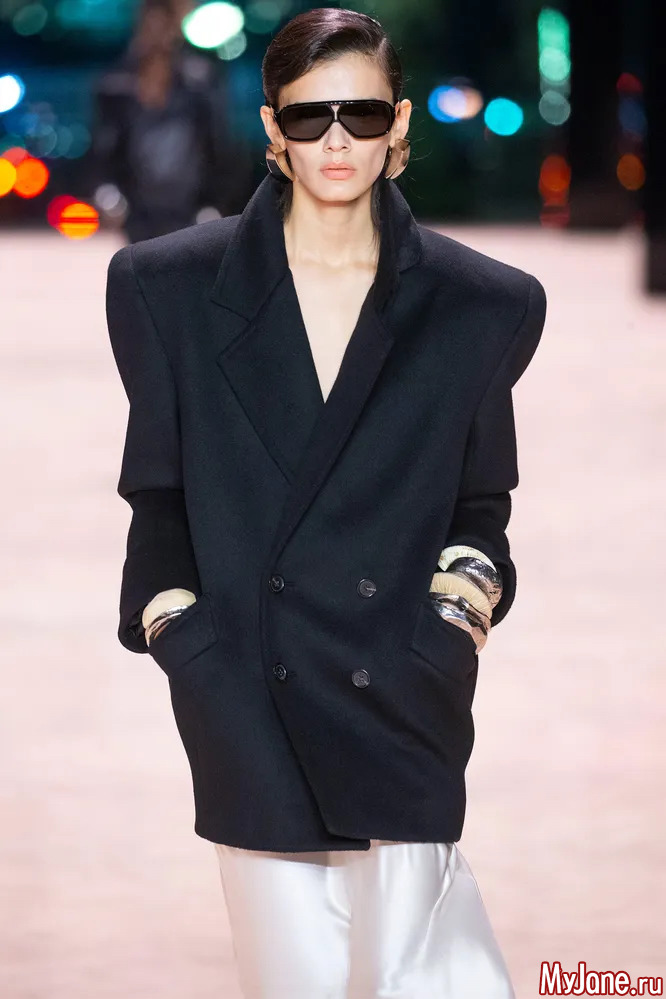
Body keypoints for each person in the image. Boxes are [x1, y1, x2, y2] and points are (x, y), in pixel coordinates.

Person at [105, 8, 547, 997]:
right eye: (310, 118)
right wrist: (185, 640)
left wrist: (453, 621)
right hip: (248, 692)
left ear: (399, 124)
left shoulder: (484, 303)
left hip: (403, 686)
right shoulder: (166, 290)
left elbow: (482, 502)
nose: (337, 140)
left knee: (435, 981)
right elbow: (158, 495)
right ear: (273, 128)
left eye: (361, 114)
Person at [90, 0, 243, 242]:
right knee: (144, 261)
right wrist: (107, 190)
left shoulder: (200, 81)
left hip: (189, 208)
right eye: (151, 23)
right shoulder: (116, 85)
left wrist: (215, 203)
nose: (157, 32)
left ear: (175, 28)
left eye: (164, 24)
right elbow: (103, 147)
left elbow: (219, 146)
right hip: (138, 210)